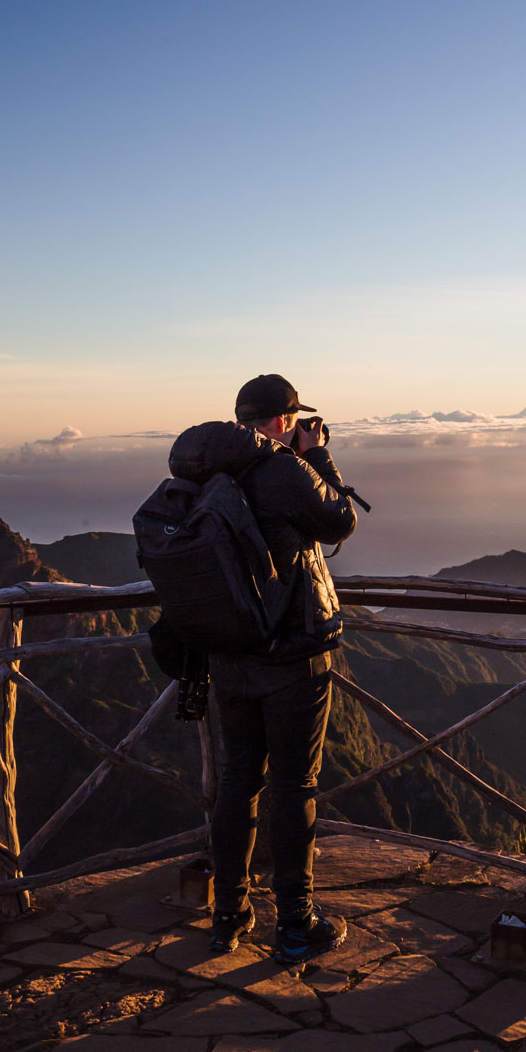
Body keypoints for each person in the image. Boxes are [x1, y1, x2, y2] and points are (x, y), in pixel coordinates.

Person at [167, 373, 358, 964]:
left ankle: (230, 913)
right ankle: (296, 922)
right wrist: (318, 454)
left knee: (238, 781)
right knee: (294, 784)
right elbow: (340, 521)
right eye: (293, 420)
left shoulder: (206, 472)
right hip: (294, 654)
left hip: (229, 653)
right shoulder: (282, 468)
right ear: (282, 421)